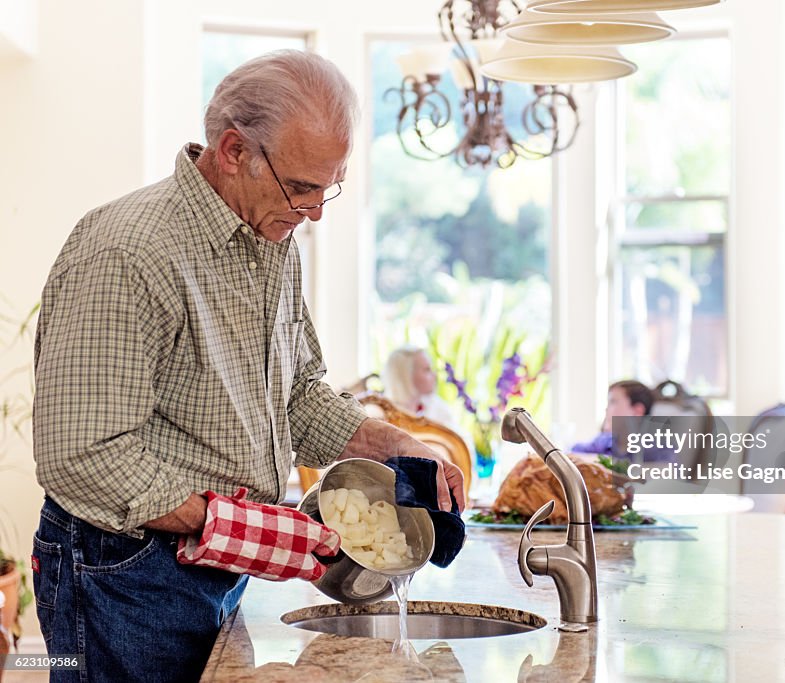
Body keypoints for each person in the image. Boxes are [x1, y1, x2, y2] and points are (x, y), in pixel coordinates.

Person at [30, 51, 465, 683]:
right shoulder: (126, 252)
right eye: (303, 186)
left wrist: (395, 442)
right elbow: (83, 453)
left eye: (329, 186)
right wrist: (233, 525)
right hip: (122, 568)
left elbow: (297, 396)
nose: (316, 210)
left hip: (215, 562)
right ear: (234, 150)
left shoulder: (270, 238)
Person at [382, 346, 460, 431]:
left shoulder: (436, 406)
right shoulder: (383, 414)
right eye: (427, 370)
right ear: (406, 376)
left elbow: (460, 441)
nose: (435, 375)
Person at [570, 380, 654, 456]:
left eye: (613, 402)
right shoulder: (606, 441)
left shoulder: (653, 449)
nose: (606, 409)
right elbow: (574, 451)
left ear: (637, 411)